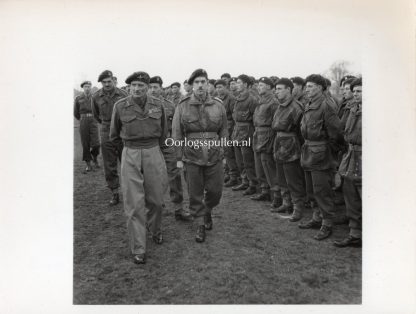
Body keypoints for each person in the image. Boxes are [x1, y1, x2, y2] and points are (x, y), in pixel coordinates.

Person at [110, 71, 168, 264]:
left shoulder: (158, 105)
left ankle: (155, 229)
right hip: (130, 153)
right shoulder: (120, 106)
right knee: (134, 203)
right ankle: (139, 247)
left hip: (153, 151)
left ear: (147, 87)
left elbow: (164, 134)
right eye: (133, 85)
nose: (137, 89)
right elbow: (114, 135)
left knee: (157, 199)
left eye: (141, 86)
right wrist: (128, 154)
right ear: (129, 87)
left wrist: (155, 151)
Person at [172, 68, 227, 243]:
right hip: (191, 155)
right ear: (192, 85)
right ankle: (200, 224)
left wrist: (224, 152)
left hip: (214, 154)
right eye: (197, 82)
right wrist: (179, 158)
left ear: (208, 84)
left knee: (215, 191)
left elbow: (224, 130)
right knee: (195, 192)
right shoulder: (183, 105)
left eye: (203, 81)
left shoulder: (218, 105)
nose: (200, 85)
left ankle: (207, 209)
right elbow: (177, 134)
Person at [298, 74, 344, 240]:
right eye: (306, 86)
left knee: (322, 190)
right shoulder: (309, 104)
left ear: (320, 87)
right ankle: (317, 218)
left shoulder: (326, 105)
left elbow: (336, 133)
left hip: (321, 153)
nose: (307, 90)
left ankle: (327, 224)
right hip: (309, 150)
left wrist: (329, 152)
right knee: (311, 189)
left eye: (310, 87)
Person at [148, 75, 192, 221]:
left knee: (174, 175)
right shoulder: (143, 105)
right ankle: (153, 208)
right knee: (149, 177)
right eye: (150, 87)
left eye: (156, 87)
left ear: (161, 89)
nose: (153, 90)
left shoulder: (169, 105)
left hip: (167, 144)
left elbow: (177, 128)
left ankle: (178, 208)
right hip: (150, 145)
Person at [272, 78, 307, 221]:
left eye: (280, 89)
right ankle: (287, 203)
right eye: (276, 89)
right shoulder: (280, 106)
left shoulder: (296, 107)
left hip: (291, 147)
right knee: (281, 178)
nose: (277, 91)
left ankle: (298, 209)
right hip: (279, 144)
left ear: (289, 89)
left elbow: (301, 132)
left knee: (293, 179)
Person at [92, 70, 128, 205]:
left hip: (122, 131)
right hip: (106, 131)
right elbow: (96, 116)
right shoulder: (96, 97)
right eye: (104, 82)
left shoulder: (123, 94)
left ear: (114, 80)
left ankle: (131, 192)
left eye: (109, 81)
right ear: (101, 83)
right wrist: (107, 126)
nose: (107, 84)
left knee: (126, 162)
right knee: (109, 164)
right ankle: (114, 193)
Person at [334, 78, 362, 248]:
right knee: (349, 192)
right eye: (355, 91)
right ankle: (355, 234)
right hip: (351, 154)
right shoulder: (352, 109)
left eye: (360, 91)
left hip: (364, 155)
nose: (356, 94)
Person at [251, 77, 279, 203]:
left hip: (267, 135)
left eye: (261, 85)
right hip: (258, 134)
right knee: (260, 166)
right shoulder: (261, 100)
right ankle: (265, 191)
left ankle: (277, 196)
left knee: (269, 166)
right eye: (258, 85)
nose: (258, 87)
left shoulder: (273, 102)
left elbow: (275, 123)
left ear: (269, 87)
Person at [231, 74, 259, 195]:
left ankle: (253, 184)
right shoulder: (238, 98)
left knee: (248, 160)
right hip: (237, 130)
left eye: (239, 83)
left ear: (246, 85)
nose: (237, 85)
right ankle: (244, 181)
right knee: (239, 160)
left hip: (247, 131)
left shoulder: (252, 99)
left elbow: (255, 118)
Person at [215, 79, 239, 187]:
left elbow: (234, 117)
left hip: (230, 128)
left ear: (226, 87)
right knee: (225, 153)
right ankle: (229, 174)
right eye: (217, 87)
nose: (218, 89)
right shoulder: (217, 99)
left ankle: (234, 176)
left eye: (220, 87)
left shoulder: (231, 99)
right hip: (221, 128)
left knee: (230, 153)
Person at [74, 81, 100, 173]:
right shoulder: (78, 98)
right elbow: (76, 113)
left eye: (89, 86)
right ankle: (88, 165)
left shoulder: (95, 98)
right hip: (83, 120)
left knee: (96, 144)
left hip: (93, 120)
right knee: (85, 143)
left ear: (91, 87)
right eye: (85, 86)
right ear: (83, 88)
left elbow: (98, 110)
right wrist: (82, 119)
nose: (87, 88)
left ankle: (95, 157)